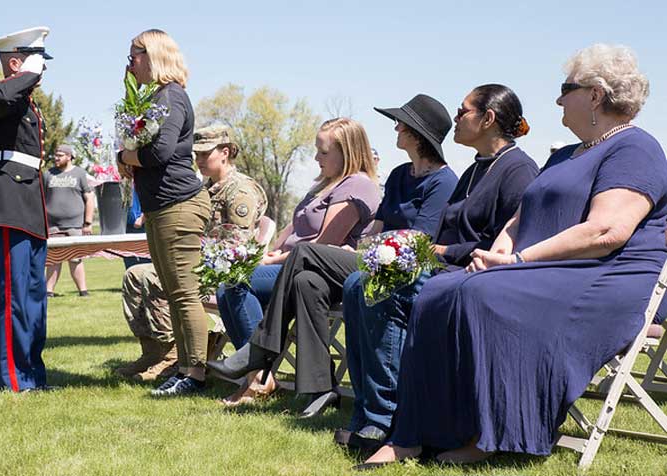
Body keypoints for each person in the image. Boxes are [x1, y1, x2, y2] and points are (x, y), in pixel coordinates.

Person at [358, 44, 665, 469]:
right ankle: (414, 434)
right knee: (442, 289)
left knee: (481, 297)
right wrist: (499, 251)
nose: (557, 99)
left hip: (600, 278)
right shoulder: (563, 154)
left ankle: (492, 434)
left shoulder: (635, 149)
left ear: (596, 95)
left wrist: (519, 262)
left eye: (566, 88)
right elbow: (520, 218)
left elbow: (606, 231)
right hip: (544, 270)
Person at [337, 85, 538, 454]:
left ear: (488, 119)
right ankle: (365, 412)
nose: (456, 118)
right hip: (443, 267)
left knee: (386, 289)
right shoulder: (475, 170)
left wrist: (443, 249)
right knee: (355, 283)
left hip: (476, 276)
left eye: (463, 112)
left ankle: (386, 418)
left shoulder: (518, 170)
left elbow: (503, 242)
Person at [209, 117, 383, 406]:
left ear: (348, 152)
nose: (316, 158)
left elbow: (325, 244)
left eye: (323, 152)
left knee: (238, 282)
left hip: (323, 272)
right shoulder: (323, 185)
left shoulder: (357, 186)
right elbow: (293, 230)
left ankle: (257, 372)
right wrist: (266, 255)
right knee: (227, 286)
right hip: (292, 267)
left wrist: (274, 261)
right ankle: (257, 375)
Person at [116, 125, 267, 382]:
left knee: (156, 280)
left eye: (204, 154)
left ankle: (178, 357)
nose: (197, 160)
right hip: (198, 264)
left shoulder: (240, 191)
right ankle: (157, 351)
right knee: (135, 274)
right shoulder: (202, 189)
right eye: (195, 154)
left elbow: (235, 248)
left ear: (225, 152)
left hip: (220, 271)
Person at [116, 29, 211, 397]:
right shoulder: (156, 97)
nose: (129, 63)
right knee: (173, 292)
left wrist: (125, 157)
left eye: (134, 55)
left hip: (179, 207)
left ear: (153, 54)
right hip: (161, 207)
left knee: (185, 293)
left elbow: (159, 153)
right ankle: (185, 368)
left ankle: (196, 374)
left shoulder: (171, 96)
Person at [0, 26, 54, 393]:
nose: (43, 72)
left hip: (30, 206)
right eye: (39, 63)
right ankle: (14, 380)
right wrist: (27, 72)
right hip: (8, 204)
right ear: (16, 61)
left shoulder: (25, 101)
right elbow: (3, 95)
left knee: (35, 296)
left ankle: (34, 375)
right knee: (14, 297)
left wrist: (30, 74)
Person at [43, 144, 93, 298]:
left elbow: (89, 197)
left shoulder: (79, 174)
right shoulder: (48, 174)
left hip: (75, 225)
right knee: (53, 260)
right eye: (55, 155)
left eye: (60, 155)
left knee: (75, 259)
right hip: (52, 226)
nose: (56, 158)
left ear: (69, 156)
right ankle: (48, 292)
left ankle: (83, 291)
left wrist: (88, 223)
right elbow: (41, 198)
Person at [122, 186, 150, 269]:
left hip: (143, 226)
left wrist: (142, 218)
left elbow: (155, 199)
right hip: (126, 227)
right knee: (130, 263)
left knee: (147, 262)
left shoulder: (143, 178)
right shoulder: (123, 182)